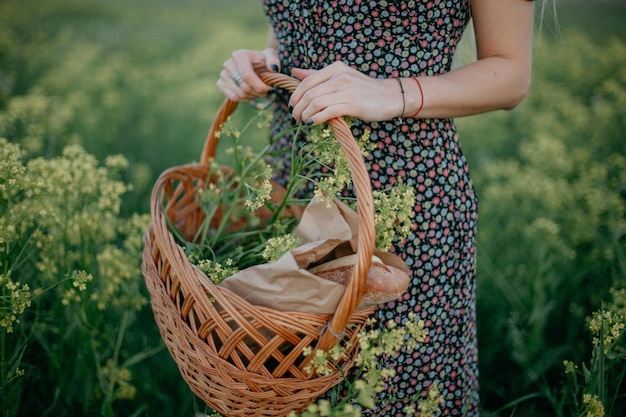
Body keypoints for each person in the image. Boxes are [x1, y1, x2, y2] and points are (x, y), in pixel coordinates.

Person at [217, 0, 535, 415]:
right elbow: (298, 24)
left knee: (389, 394)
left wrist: (390, 92)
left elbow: (511, 73)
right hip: (289, 187)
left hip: (400, 211)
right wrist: (266, 59)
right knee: (282, 387)